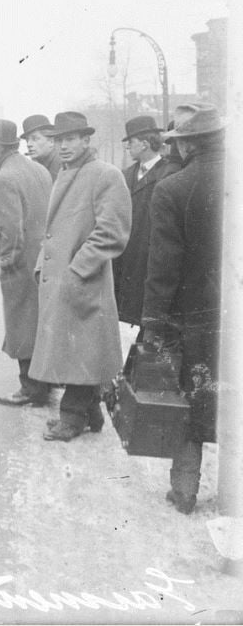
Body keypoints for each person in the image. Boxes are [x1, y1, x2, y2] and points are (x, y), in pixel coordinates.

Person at [142, 103, 224, 514]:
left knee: (192, 397)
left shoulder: (172, 189)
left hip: (195, 315)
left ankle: (186, 488)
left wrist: (153, 323)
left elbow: (163, 268)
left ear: (188, 144)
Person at [30, 112, 131, 441]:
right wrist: (41, 264)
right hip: (62, 279)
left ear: (87, 140)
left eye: (71, 139)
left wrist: (78, 269)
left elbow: (112, 232)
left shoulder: (105, 175)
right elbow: (54, 230)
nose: (63, 146)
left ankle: (72, 417)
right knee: (74, 349)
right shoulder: (65, 173)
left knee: (82, 349)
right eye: (59, 140)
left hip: (84, 280)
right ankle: (89, 415)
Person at [0, 120, 53, 408]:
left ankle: (30, 387)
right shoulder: (39, 169)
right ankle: (43, 383)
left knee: (21, 322)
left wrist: (7, 262)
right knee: (38, 321)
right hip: (42, 256)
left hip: (20, 260)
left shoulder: (4, 178)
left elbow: (10, 230)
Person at [112, 115, 181, 334]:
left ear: (144, 143)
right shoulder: (124, 175)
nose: (127, 147)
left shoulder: (168, 173)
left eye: (130, 142)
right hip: (125, 256)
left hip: (150, 256)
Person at [21, 114, 61, 182]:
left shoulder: (60, 165)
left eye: (35, 139)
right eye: (27, 140)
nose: (29, 144)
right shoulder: (39, 163)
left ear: (51, 141)